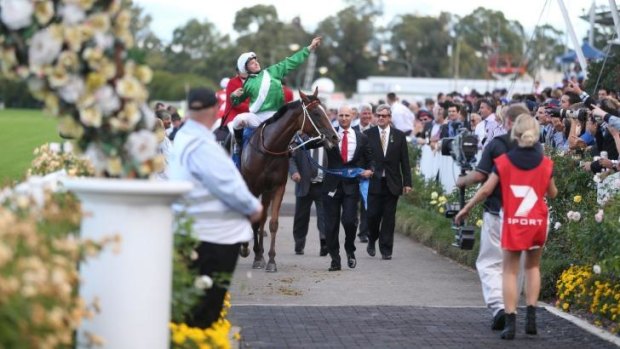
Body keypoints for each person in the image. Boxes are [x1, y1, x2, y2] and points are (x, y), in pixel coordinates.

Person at [455, 114, 558, 340]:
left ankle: (509, 320)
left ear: (515, 132)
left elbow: (486, 190)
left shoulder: (504, 162)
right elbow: (553, 193)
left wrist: (467, 208)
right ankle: (531, 317)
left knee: (509, 271)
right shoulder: (546, 162)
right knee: (532, 268)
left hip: (513, 218)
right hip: (537, 219)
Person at [168, 87, 263, 329]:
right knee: (205, 313)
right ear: (214, 111)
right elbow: (227, 184)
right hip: (213, 238)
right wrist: (253, 207)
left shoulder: (183, 136)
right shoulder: (202, 144)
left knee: (196, 310)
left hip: (197, 232)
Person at [455, 103, 530, 332]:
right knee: (516, 265)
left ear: (506, 122)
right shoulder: (534, 147)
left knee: (490, 262)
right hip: (527, 214)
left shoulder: (497, 145)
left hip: (498, 211)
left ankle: (499, 307)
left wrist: (462, 183)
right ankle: (512, 309)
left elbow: (481, 178)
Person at [230, 37, 322, 155]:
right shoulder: (247, 84)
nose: (256, 63)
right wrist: (234, 95)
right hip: (257, 118)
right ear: (246, 68)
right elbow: (235, 102)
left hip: (277, 117)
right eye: (252, 63)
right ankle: (238, 145)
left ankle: (300, 148)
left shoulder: (273, 71)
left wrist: (309, 48)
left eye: (256, 61)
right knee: (238, 120)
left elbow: (291, 61)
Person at [322, 104, 374, 271]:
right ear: (337, 116)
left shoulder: (361, 137)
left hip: (351, 186)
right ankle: (335, 259)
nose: (343, 118)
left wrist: (370, 170)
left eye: (347, 115)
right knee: (331, 225)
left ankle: (350, 249)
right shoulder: (328, 136)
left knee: (350, 221)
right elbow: (310, 144)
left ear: (353, 117)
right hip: (331, 185)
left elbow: (370, 159)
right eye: (341, 115)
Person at [364, 104, 412, 259]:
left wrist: (407, 183)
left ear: (389, 118)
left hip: (392, 183)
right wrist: (364, 170)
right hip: (374, 181)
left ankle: (386, 250)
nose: (380, 118)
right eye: (378, 115)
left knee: (389, 217)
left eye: (383, 116)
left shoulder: (399, 136)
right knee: (372, 215)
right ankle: (372, 238)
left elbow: (404, 161)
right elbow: (363, 157)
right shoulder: (368, 134)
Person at [289, 146, 328, 256]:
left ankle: (324, 243)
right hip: (304, 184)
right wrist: (294, 172)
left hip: (322, 186)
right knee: (301, 217)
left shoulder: (326, 142)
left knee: (324, 216)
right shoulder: (301, 142)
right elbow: (291, 159)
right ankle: (299, 243)